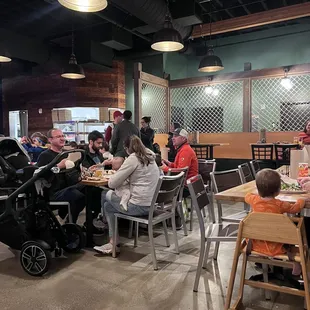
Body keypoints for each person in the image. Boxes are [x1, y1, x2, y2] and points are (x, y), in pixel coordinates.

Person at [94, 135, 160, 254]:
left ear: (127, 148)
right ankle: (113, 242)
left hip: (138, 207)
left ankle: (103, 222)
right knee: (108, 207)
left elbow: (112, 183)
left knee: (104, 194)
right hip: (151, 205)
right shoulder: (150, 157)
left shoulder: (133, 158)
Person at [245, 169, 305, 275]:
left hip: (255, 243)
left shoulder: (253, 200)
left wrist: (254, 193)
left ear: (258, 190)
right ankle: (295, 262)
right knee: (290, 236)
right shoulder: (280, 204)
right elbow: (295, 209)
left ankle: (263, 261)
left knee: (262, 228)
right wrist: (301, 200)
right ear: (278, 191)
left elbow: (247, 196)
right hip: (277, 246)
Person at [37, 129, 85, 223]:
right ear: (50, 140)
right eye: (58, 137)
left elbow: (73, 173)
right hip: (53, 192)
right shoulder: (44, 156)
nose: (62, 138)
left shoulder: (66, 154)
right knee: (76, 194)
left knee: (90, 190)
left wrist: (82, 173)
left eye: (63, 136)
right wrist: (58, 166)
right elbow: (41, 175)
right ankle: (69, 223)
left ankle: (76, 222)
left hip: (69, 187)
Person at [162, 128, 198, 197]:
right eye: (173, 136)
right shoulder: (182, 149)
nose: (173, 138)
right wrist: (169, 163)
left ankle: (168, 206)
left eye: (176, 136)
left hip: (187, 186)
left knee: (158, 189)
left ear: (183, 139)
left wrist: (165, 168)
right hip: (186, 184)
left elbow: (181, 172)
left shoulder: (185, 151)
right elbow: (178, 167)